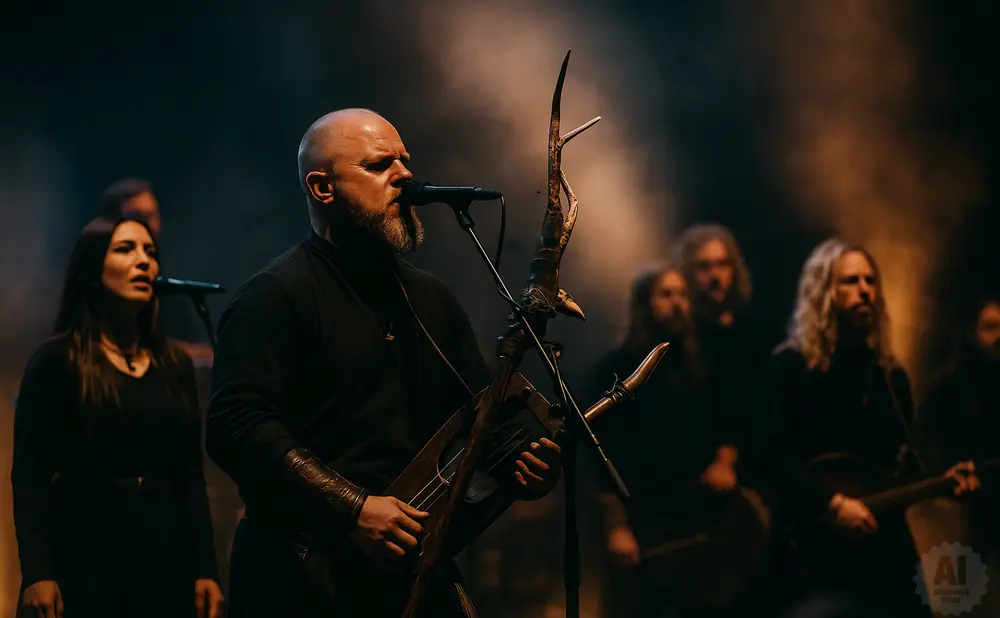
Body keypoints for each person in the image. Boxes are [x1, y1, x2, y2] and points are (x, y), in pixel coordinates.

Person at [205, 108, 562, 618]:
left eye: (404, 161)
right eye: (379, 165)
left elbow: (481, 415)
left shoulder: (431, 299)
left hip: (408, 569)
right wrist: (353, 508)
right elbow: (235, 427)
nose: (405, 175)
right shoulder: (274, 297)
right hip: (300, 576)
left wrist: (522, 460)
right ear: (322, 188)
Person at [11, 215, 224, 618]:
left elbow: (189, 475)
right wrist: (38, 572)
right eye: (125, 249)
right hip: (86, 548)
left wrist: (205, 570)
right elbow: (30, 478)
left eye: (150, 252)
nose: (144, 261)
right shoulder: (57, 362)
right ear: (92, 268)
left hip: (163, 551)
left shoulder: (171, 363)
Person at [759, 238, 978, 617]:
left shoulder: (889, 377)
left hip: (883, 543)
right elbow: (772, 452)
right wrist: (828, 505)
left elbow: (903, 465)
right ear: (824, 291)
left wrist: (945, 483)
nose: (864, 291)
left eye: (870, 281)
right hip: (815, 548)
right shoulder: (791, 367)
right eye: (850, 281)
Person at [593, 265, 767, 618]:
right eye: (666, 294)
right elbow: (601, 456)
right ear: (645, 304)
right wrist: (617, 527)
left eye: (682, 294)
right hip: (646, 522)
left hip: (701, 518)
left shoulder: (704, 362)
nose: (678, 304)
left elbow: (731, 424)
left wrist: (724, 462)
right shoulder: (615, 369)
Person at [675, 224, 781, 485]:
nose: (715, 275)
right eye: (704, 266)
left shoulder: (761, 339)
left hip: (757, 478)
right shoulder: (677, 343)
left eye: (722, 264)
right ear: (688, 273)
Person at [919, 297, 1000, 562]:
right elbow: (930, 446)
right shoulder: (948, 387)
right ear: (972, 332)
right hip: (962, 514)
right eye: (990, 327)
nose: (998, 336)